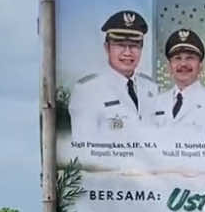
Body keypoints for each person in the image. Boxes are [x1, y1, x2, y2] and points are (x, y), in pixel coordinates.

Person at [68, 9, 159, 146]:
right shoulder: (87, 90)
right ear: (107, 48)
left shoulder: (151, 87)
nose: (127, 52)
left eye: (134, 45)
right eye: (120, 45)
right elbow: (84, 149)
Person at [150, 29, 205, 150]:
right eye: (177, 58)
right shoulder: (156, 103)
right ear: (169, 67)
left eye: (190, 58)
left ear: (200, 66)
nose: (183, 64)